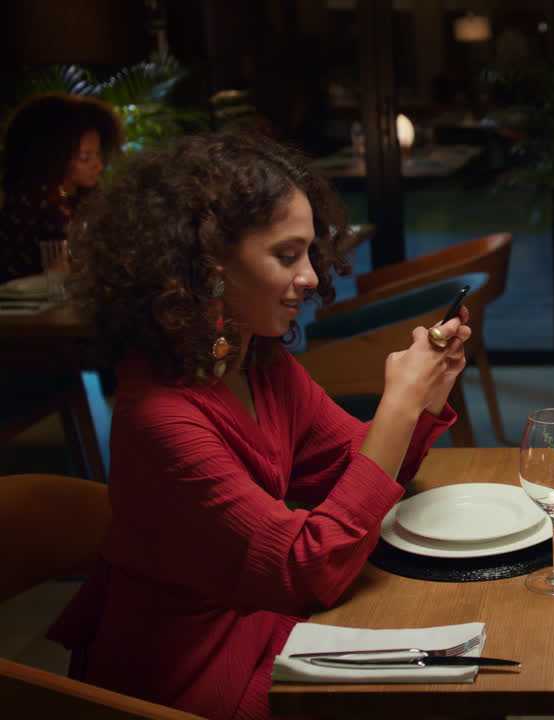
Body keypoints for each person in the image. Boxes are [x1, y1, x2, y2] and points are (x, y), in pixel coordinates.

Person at [47, 132, 469, 720]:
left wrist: (422, 402)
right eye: (286, 255)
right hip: (196, 683)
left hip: (274, 633)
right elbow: (307, 568)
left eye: (309, 253)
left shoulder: (257, 363)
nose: (313, 278)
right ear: (208, 263)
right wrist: (397, 405)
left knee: (462, 667)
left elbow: (354, 472)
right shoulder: (159, 418)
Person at [0, 92, 122, 283]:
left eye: (97, 155)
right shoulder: (31, 205)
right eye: (85, 158)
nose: (99, 166)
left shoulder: (86, 196)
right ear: (52, 157)